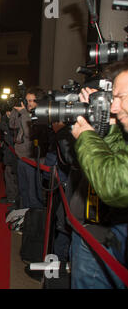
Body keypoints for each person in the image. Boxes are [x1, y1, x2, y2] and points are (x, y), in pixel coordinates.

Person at [70, 59, 128, 289]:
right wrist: (107, 125)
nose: (114, 107)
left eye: (121, 97)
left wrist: (87, 136)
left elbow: (115, 185)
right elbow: (118, 158)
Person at [9, 88, 46, 208]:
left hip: (33, 160)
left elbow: (29, 134)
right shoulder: (26, 113)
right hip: (22, 157)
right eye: (27, 100)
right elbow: (12, 125)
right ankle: (24, 216)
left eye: (31, 100)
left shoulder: (41, 115)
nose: (28, 103)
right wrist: (16, 110)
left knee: (33, 193)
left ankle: (34, 220)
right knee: (23, 190)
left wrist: (24, 113)